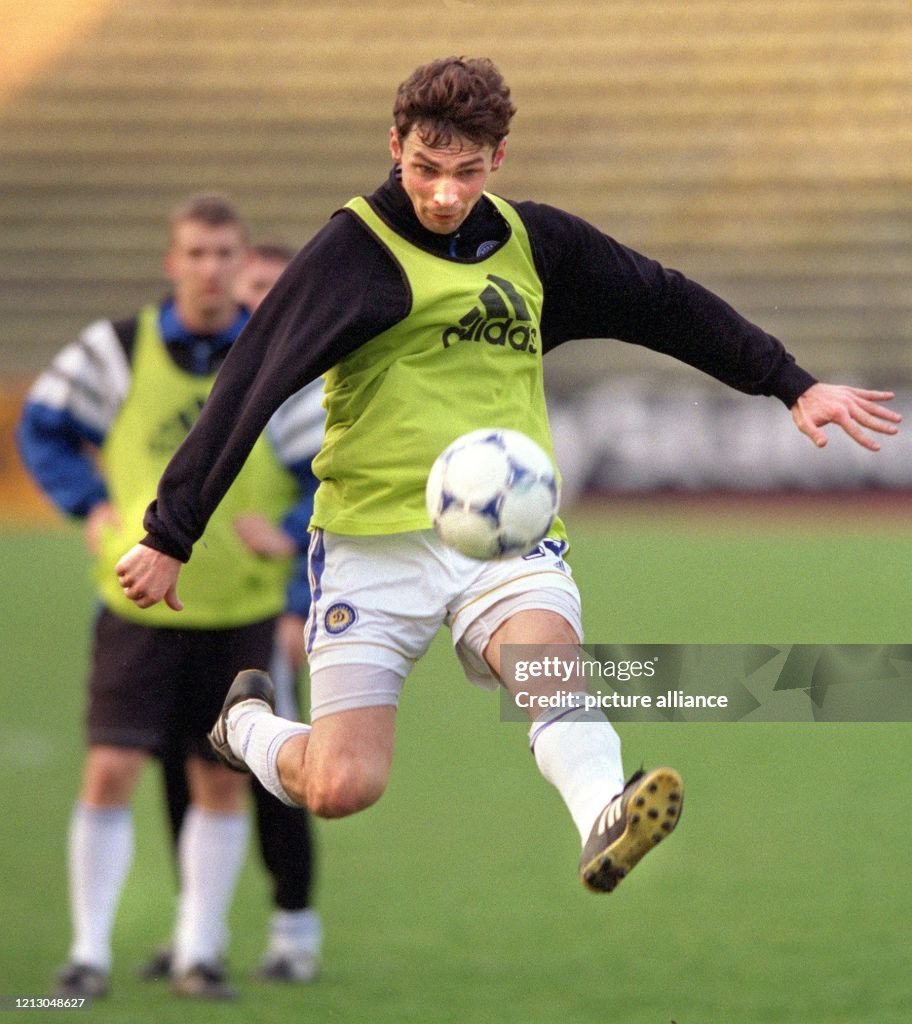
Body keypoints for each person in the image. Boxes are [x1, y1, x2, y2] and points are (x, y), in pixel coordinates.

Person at [113, 59, 900, 905]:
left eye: (467, 171)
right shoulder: (354, 251)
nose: (445, 193)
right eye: (425, 169)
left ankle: (606, 811)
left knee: (545, 660)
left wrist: (790, 381)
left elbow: (663, 302)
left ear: (499, 158)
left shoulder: (537, 244)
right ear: (394, 147)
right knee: (342, 788)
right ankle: (248, 725)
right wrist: (170, 532)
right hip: (371, 549)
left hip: (506, 538)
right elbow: (253, 379)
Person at [16, 197, 323, 1000]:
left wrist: (291, 528)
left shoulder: (273, 357)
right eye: (197, 253)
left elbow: (327, 462)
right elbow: (41, 424)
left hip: (241, 608)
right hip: (137, 603)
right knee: (111, 767)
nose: (212, 269)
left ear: (240, 262)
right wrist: (88, 504)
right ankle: (88, 952)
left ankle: (199, 949)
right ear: (172, 262)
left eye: (226, 253)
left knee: (218, 779)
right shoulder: (117, 350)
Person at [138, 240, 323, 987]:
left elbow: (334, 490)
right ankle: (198, 930)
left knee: (278, 774)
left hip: (264, 609)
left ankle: (293, 931)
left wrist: (296, 593)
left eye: (275, 292)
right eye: (252, 289)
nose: (257, 305)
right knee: (182, 766)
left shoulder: (299, 386)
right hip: (187, 611)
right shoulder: (208, 378)